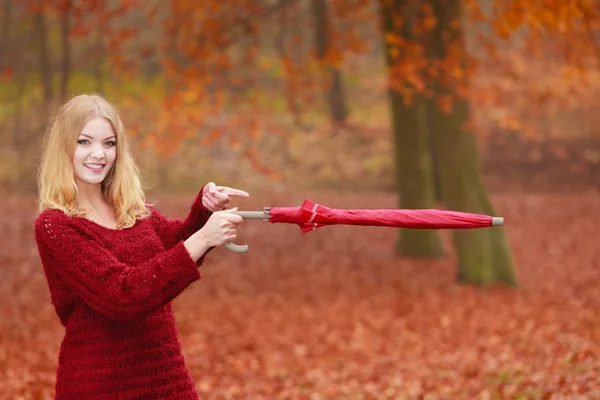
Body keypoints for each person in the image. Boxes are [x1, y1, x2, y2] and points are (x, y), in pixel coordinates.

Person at [33, 93, 249, 399]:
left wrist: (204, 210)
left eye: (109, 143)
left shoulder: (129, 207)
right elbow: (122, 294)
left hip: (165, 376)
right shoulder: (56, 225)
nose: (99, 154)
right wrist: (204, 238)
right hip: (100, 385)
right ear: (63, 147)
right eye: (84, 142)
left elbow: (174, 244)